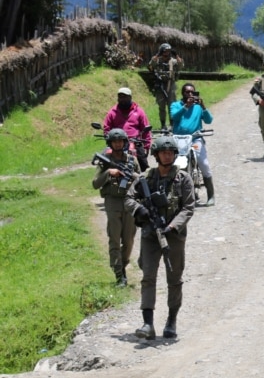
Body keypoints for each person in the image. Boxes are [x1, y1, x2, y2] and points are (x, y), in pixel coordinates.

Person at [125, 135, 195, 340]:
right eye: (163, 153)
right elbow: (128, 198)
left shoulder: (184, 179)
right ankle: (148, 324)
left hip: (173, 237)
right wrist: (140, 210)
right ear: (156, 155)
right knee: (148, 277)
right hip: (149, 235)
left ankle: (171, 321)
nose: (167, 156)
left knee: (174, 278)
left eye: (171, 152)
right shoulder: (145, 178)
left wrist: (173, 227)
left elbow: (188, 207)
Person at [92, 128, 141, 287]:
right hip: (112, 202)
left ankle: (124, 264)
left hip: (129, 202)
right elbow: (95, 183)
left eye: (120, 141)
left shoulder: (131, 160)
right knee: (114, 238)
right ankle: (119, 273)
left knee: (129, 239)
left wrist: (130, 175)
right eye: (115, 141)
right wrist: (108, 173)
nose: (118, 144)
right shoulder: (104, 161)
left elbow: (141, 181)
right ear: (110, 143)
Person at [170, 82, 215, 206]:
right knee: (174, 163)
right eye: (187, 92)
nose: (190, 94)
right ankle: (175, 193)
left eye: (192, 92)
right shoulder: (176, 105)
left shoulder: (198, 107)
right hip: (179, 139)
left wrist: (204, 106)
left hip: (195, 139)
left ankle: (211, 195)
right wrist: (185, 106)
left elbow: (209, 120)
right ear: (182, 93)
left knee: (203, 162)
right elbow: (174, 117)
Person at [103, 87, 152, 171]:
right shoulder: (112, 112)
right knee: (104, 158)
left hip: (135, 142)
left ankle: (145, 180)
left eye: (125, 97)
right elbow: (106, 127)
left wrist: (147, 146)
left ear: (130, 97)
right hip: (117, 141)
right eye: (120, 97)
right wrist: (108, 136)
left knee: (143, 164)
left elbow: (145, 128)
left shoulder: (139, 111)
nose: (122, 99)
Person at [148, 43, 183, 130]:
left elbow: (181, 66)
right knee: (161, 106)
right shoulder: (158, 60)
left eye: (168, 51)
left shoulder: (173, 61)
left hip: (170, 85)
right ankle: (163, 125)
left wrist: (177, 56)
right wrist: (156, 56)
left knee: (172, 105)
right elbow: (150, 66)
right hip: (160, 86)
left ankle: (172, 124)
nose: (166, 53)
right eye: (164, 51)